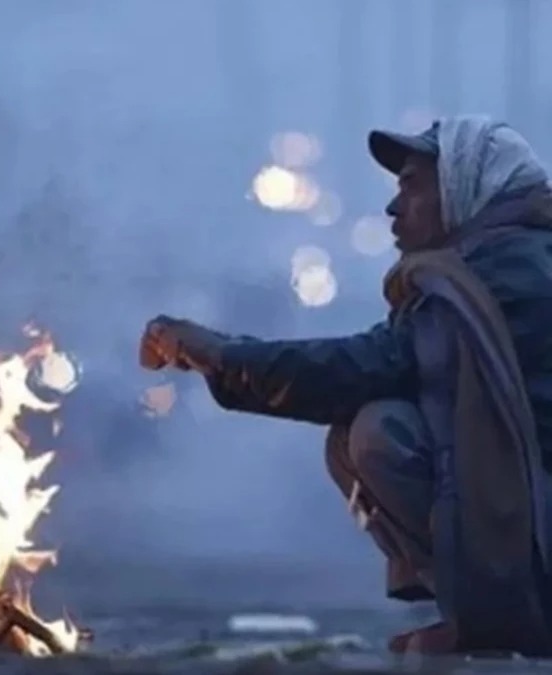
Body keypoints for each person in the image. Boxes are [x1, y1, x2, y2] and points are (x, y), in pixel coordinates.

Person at [140, 116, 552, 656]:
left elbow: (368, 366)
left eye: (412, 186)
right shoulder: (496, 261)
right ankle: (488, 614)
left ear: (465, 186)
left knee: (380, 431)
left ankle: (501, 623)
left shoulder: (509, 272)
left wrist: (220, 355)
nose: (394, 206)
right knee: (366, 429)